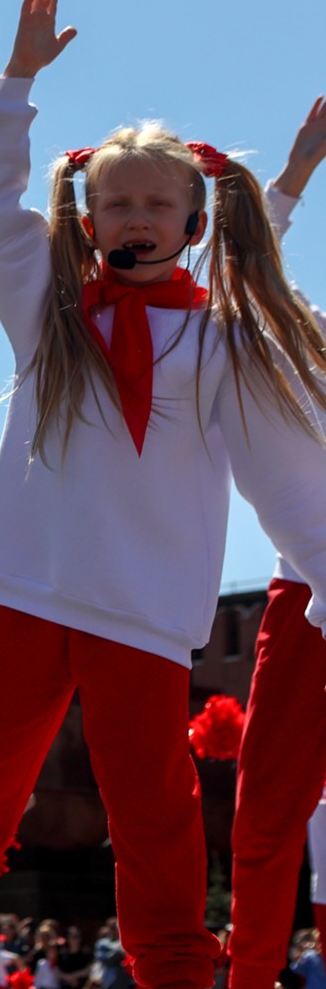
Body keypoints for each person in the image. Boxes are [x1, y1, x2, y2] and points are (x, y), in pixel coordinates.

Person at [0, 0, 326, 989]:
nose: (136, 215)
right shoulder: (50, 313)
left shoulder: (221, 345)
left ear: (194, 224)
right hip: (28, 589)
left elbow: (279, 471)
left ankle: (171, 974)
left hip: (141, 612)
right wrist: (13, 85)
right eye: (117, 200)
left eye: (158, 203)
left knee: (153, 814)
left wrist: (287, 181)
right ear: (88, 211)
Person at [228, 96, 326, 989]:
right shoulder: (288, 337)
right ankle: (250, 977)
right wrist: (294, 174)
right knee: (265, 820)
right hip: (306, 604)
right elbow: (245, 270)